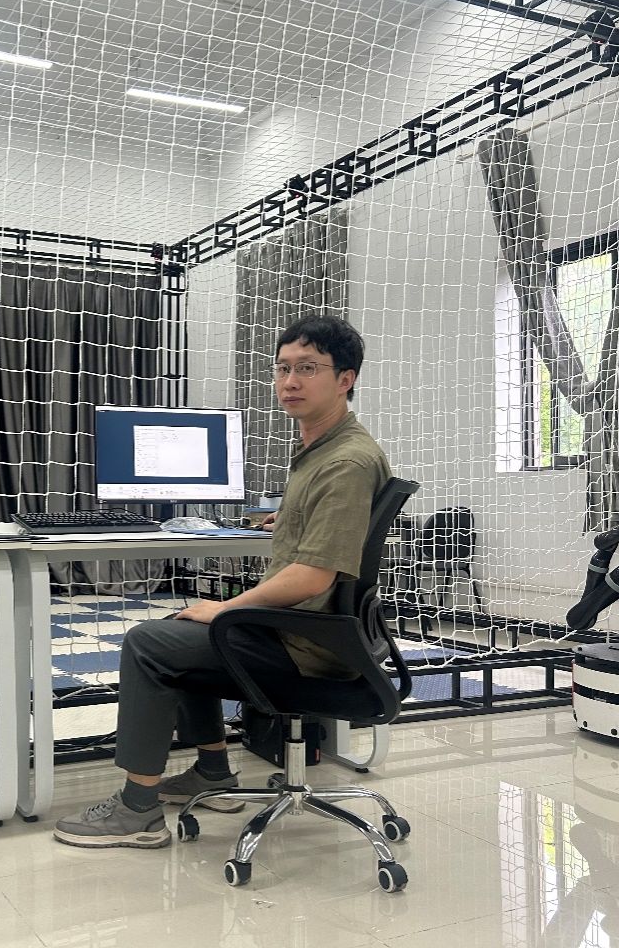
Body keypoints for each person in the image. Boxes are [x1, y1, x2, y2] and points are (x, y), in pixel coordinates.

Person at [53, 314, 392, 849]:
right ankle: (212, 772)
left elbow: (312, 575)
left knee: (149, 643)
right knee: (183, 624)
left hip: (308, 645)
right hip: (313, 631)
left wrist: (228, 609)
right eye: (282, 368)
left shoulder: (345, 461)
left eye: (307, 368)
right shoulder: (326, 450)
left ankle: (137, 810)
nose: (289, 382)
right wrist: (292, 520)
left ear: (345, 379)